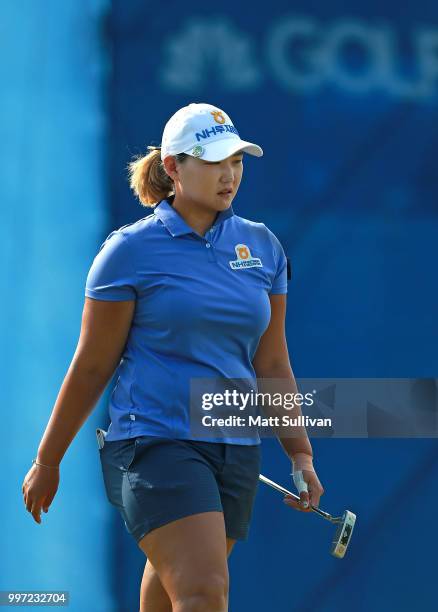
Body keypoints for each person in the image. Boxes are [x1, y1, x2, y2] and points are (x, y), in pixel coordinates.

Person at [22, 102, 324, 612]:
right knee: (205, 592)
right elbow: (93, 364)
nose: (228, 175)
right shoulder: (129, 252)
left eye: (236, 161)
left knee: (172, 596)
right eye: (211, 162)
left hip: (234, 448)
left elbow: (272, 362)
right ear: (172, 167)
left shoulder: (263, 247)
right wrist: (47, 459)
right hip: (153, 443)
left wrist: (301, 453)